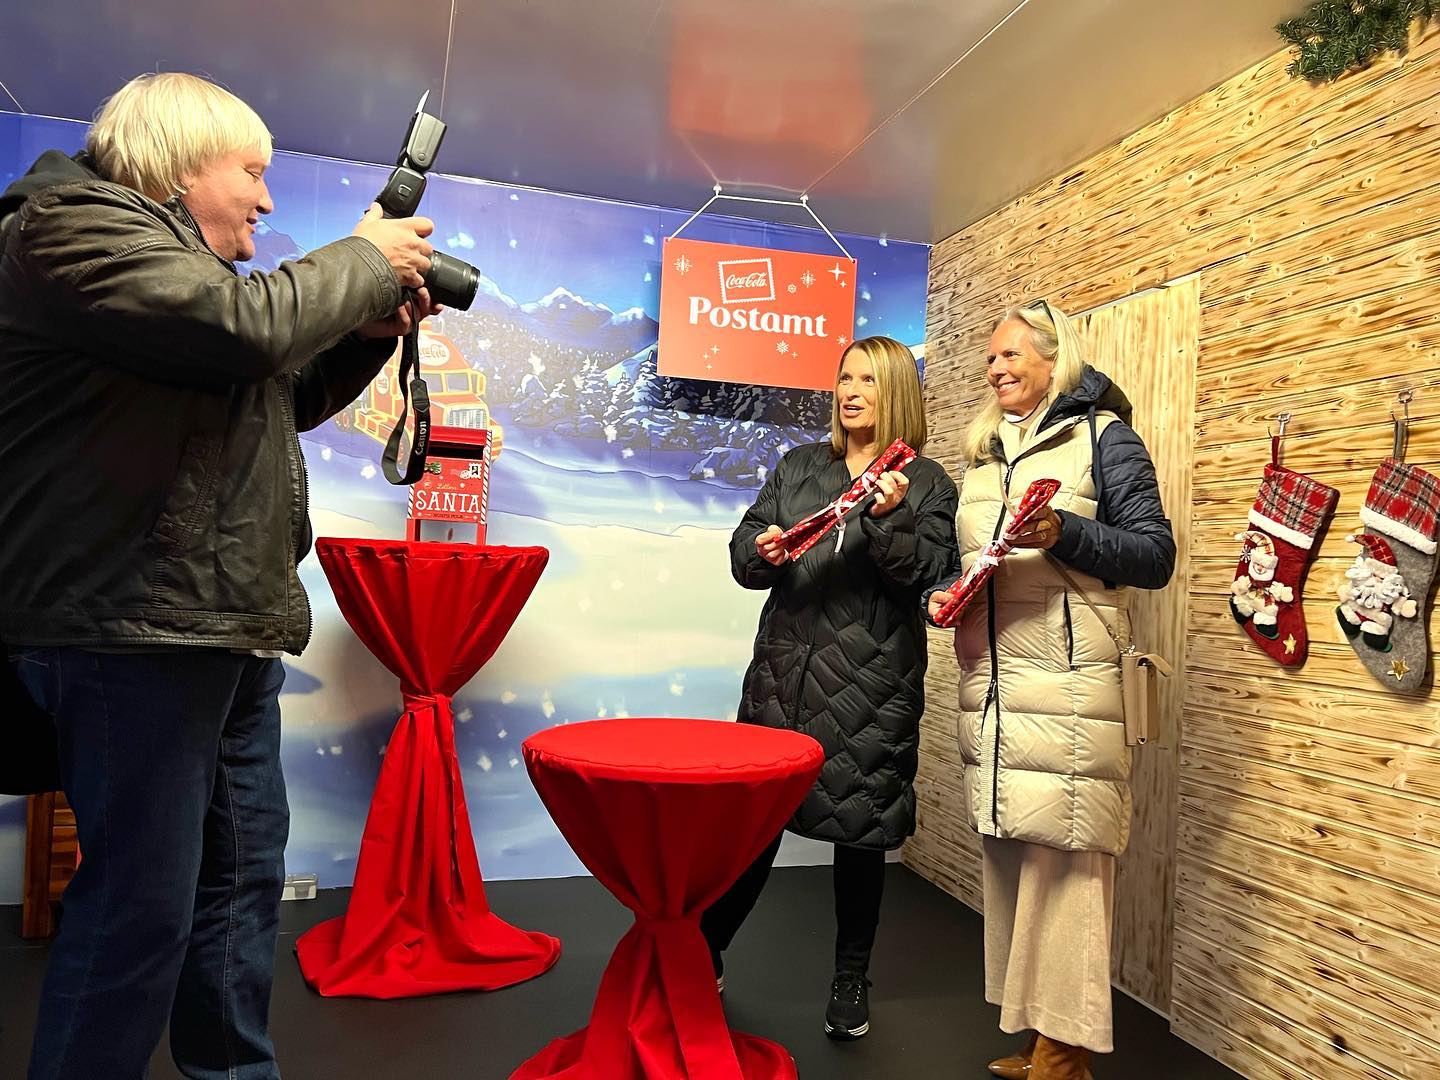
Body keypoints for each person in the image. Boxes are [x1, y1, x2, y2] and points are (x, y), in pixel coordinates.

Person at [0, 72, 440, 1080]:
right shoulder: (65, 229)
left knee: (238, 891)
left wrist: (368, 335)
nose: (268, 199)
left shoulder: (173, 284)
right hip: (133, 632)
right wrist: (361, 260)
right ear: (182, 159)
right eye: (254, 172)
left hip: (219, 630)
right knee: (136, 915)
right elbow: (245, 332)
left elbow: (269, 391)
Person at [924, 301, 1175, 1080]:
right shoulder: (985, 453)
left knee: (1067, 866)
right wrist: (939, 593)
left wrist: (1065, 533)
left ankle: (1066, 1050)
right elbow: (964, 558)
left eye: (1009, 355)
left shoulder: (1106, 439)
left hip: (1070, 690)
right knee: (1013, 860)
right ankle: (1038, 1033)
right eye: (989, 361)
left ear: (1052, 357)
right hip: (995, 687)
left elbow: (1154, 554)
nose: (995, 369)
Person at [703, 335, 958, 1040]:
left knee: (861, 833)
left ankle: (851, 976)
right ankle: (707, 949)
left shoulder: (928, 483)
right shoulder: (799, 466)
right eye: (844, 376)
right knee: (752, 829)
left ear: (896, 392)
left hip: (873, 686)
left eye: (868, 380)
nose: (850, 391)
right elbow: (744, 550)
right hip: (784, 678)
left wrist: (887, 520)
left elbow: (928, 573)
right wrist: (761, 551)